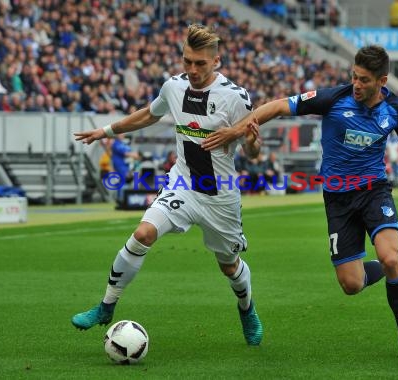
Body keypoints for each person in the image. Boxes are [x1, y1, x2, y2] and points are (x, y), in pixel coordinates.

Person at [202, 45, 398, 360]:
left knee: (390, 256)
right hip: (337, 200)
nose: (357, 84)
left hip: (374, 191)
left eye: (364, 79)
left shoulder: (396, 110)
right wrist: (237, 131)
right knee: (352, 284)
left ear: (382, 81)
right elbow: (279, 106)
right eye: (354, 76)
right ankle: (391, 269)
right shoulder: (334, 99)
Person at [71, 24, 263, 346]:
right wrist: (105, 131)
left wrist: (253, 141)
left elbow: (252, 152)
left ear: (216, 61)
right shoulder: (173, 87)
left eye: (200, 63)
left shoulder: (235, 98)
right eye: (187, 61)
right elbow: (148, 115)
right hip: (183, 184)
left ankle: (247, 308)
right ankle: (106, 306)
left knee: (229, 267)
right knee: (142, 234)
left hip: (220, 196)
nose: (192, 69)